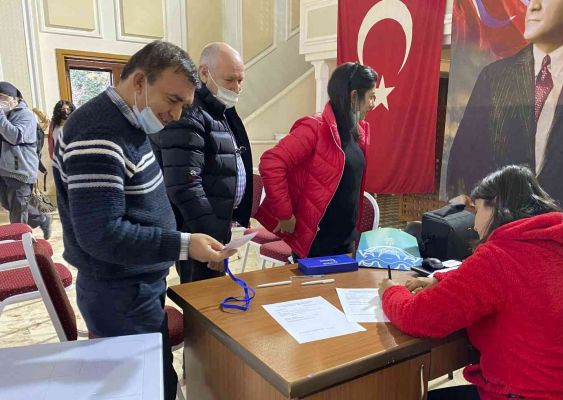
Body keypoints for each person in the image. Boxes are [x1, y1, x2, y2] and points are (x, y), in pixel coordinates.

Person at [51, 41, 236, 400]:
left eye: (184, 104)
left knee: (154, 383)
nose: (178, 114)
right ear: (139, 82)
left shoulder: (128, 122)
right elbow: (102, 234)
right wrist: (183, 244)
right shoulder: (97, 132)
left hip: (134, 288)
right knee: (144, 391)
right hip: (119, 293)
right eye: (172, 101)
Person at [379, 165, 563, 400]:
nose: (473, 224)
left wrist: (390, 292)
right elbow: (505, 283)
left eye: (477, 209)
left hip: (526, 392)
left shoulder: (499, 256)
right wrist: (440, 280)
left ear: (496, 206)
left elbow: (418, 316)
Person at [446, 0, 563, 224]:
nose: (533, 6)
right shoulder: (494, 78)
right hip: (499, 226)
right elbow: (464, 156)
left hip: (561, 228)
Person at [150, 42, 253, 283]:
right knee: (203, 300)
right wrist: (213, 237)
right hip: (198, 231)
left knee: (216, 292)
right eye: (229, 80)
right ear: (204, 73)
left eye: (240, 81)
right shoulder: (189, 113)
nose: (236, 88)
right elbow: (185, 187)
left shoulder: (222, 110)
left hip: (217, 225)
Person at [255, 62, 377, 259]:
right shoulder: (315, 128)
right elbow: (272, 162)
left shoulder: (358, 132)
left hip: (345, 241)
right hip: (317, 243)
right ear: (354, 96)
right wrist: (284, 214)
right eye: (370, 97)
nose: (373, 104)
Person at [0, 81, 52, 239]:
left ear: (15, 99)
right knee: (8, 204)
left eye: (2, 98)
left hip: (20, 169)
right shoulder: (5, 114)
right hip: (3, 168)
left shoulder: (26, 115)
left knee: (18, 212)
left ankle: (19, 246)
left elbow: (14, 136)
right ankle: (42, 219)